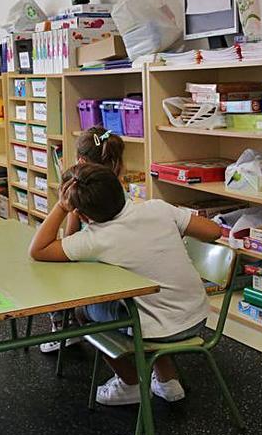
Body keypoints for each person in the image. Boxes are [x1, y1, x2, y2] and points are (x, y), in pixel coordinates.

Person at [29, 163, 222, 405]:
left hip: (159, 329)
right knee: (150, 304)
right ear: (121, 186)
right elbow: (214, 231)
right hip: (198, 316)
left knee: (84, 312)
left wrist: (62, 207)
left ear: (82, 214)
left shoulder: (95, 239)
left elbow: (38, 249)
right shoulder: (158, 208)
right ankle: (168, 382)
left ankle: (131, 384)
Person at [39, 127, 126, 354]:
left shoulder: (87, 194)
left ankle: (65, 327)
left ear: (81, 161)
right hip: (119, 264)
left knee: (52, 270)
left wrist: (67, 209)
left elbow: (68, 240)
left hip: (99, 265)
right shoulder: (119, 192)